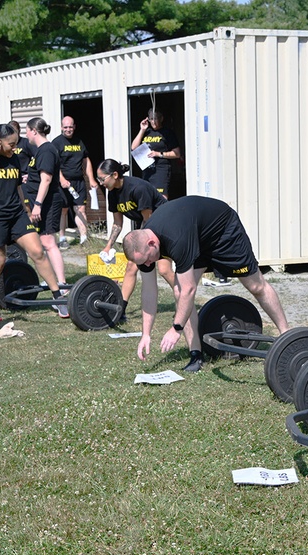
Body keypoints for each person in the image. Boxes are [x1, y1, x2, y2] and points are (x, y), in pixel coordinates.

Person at [122, 196, 290, 373]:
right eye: (143, 262)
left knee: (256, 286)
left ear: (151, 243)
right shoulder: (143, 251)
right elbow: (149, 290)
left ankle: (287, 335)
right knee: (179, 292)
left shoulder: (175, 239)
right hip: (197, 236)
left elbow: (189, 289)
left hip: (223, 231)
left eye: (149, 259)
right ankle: (196, 354)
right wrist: (146, 333)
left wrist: (175, 329)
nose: (148, 264)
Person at [0, 120, 69, 322]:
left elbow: (17, 187)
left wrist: (27, 208)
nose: (15, 148)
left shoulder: (15, 159)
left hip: (16, 214)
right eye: (11, 144)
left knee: (38, 252)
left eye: (16, 143)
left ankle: (58, 297)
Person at [97, 158, 175, 320]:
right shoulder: (112, 193)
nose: (100, 182)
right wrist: (108, 245)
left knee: (164, 270)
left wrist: (137, 245)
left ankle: (185, 299)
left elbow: (149, 219)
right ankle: (121, 311)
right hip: (146, 227)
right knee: (131, 267)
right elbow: (118, 223)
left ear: (115, 175)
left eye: (102, 178)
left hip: (162, 224)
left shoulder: (138, 188)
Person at [22, 117, 66, 288]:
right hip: (40, 201)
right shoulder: (40, 150)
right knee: (44, 242)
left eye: (27, 131)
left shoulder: (47, 150)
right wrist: (30, 177)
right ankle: (53, 279)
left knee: (48, 243)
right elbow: (40, 176)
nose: (26, 135)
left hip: (47, 203)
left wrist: (38, 205)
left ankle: (61, 283)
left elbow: (46, 180)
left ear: (34, 130)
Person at [51, 116, 98, 246]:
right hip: (63, 183)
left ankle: (84, 238)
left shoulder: (79, 142)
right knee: (63, 210)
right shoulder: (56, 143)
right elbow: (54, 164)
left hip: (79, 182)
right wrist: (61, 179)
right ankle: (62, 238)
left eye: (70, 127)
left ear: (74, 127)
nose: (68, 129)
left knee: (81, 209)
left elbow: (86, 160)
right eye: (65, 127)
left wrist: (91, 179)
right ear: (61, 127)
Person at [130, 108, 180, 198]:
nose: (154, 122)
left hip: (161, 169)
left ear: (161, 118)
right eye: (151, 119)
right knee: (148, 196)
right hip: (147, 170)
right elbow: (134, 148)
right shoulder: (147, 132)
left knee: (161, 198)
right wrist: (142, 129)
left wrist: (159, 154)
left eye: (156, 118)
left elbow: (177, 153)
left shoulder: (167, 133)